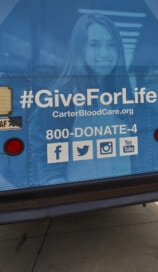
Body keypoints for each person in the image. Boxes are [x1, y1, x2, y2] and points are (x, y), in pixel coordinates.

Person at [33, 13, 129, 186]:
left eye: (111, 45)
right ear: (80, 49)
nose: (105, 54)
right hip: (78, 190)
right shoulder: (62, 95)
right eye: (95, 45)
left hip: (118, 186)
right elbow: (44, 148)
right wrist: (58, 186)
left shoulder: (117, 91)